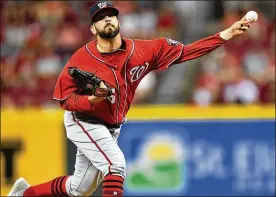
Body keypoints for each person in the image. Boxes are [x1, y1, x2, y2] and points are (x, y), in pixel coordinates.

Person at [8, 1, 252, 197]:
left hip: (111, 125)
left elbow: (186, 52)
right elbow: (65, 100)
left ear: (118, 21)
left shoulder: (144, 50)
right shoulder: (80, 60)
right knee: (116, 166)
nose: (106, 19)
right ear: (93, 29)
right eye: (99, 18)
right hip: (83, 120)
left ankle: (25, 194)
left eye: (110, 15)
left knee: (80, 188)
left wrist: (225, 34)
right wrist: (91, 99)